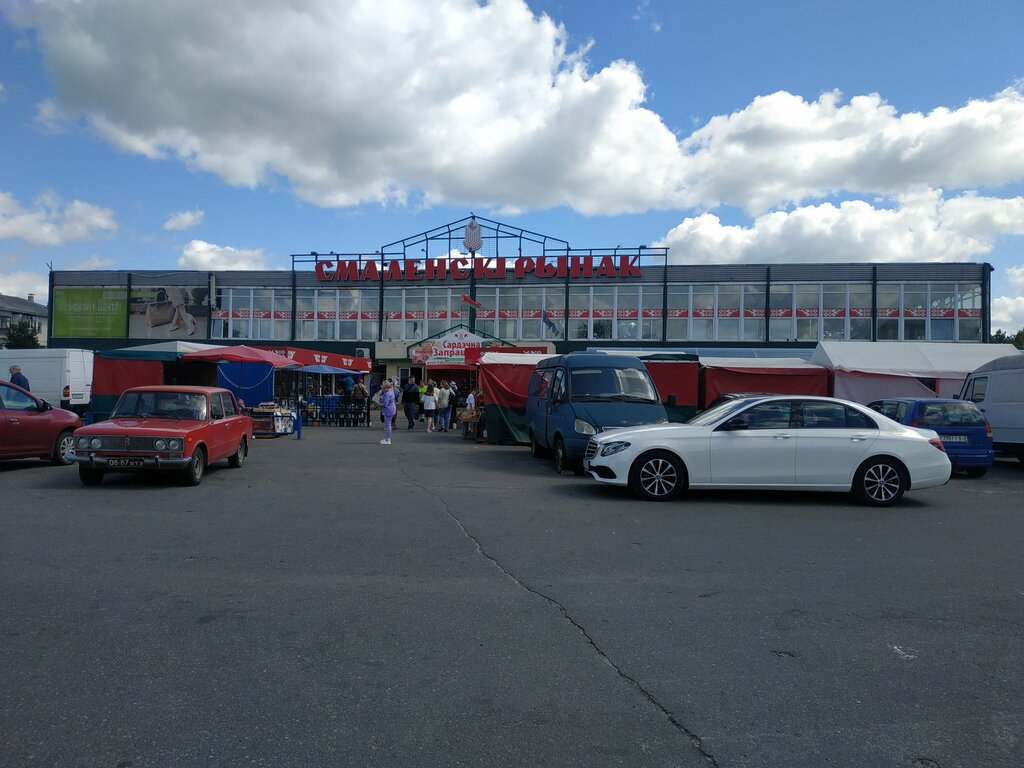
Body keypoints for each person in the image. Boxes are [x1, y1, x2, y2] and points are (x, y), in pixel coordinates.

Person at [378, 379, 397, 445]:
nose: (382, 388)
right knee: (388, 424)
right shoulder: (391, 391)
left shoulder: (387, 394)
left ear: (386, 387)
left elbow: (385, 404)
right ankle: (387, 438)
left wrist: (379, 403)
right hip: (392, 409)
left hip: (388, 410)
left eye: (383, 386)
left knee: (388, 425)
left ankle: (388, 439)